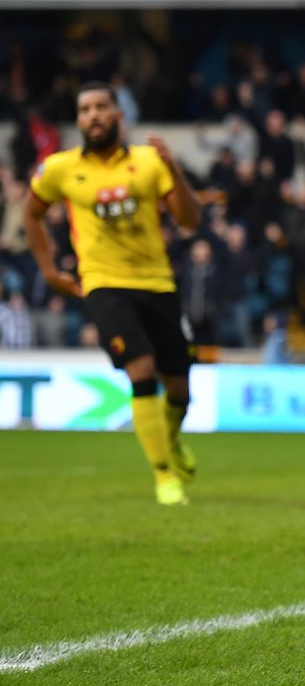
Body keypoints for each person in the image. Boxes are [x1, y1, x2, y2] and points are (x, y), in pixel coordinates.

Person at [22, 81, 201, 506]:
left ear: (119, 115)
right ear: (79, 119)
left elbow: (190, 220)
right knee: (141, 371)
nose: (93, 116)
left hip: (157, 282)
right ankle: (163, 477)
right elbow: (32, 214)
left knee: (178, 387)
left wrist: (174, 169)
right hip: (103, 284)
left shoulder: (148, 161)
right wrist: (48, 269)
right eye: (85, 110)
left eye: (102, 107)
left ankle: (170, 442)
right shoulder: (60, 168)